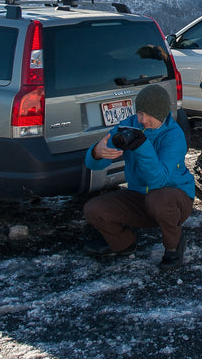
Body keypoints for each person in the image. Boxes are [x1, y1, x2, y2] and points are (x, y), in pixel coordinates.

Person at [83, 84, 195, 270]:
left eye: (146, 115)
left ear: (159, 113)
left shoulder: (174, 136)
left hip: (174, 198)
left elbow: (158, 181)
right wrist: (96, 152)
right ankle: (124, 244)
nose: (141, 120)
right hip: (139, 196)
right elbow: (94, 164)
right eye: (139, 113)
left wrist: (141, 146)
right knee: (94, 209)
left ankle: (174, 246)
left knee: (158, 200)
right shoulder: (130, 126)